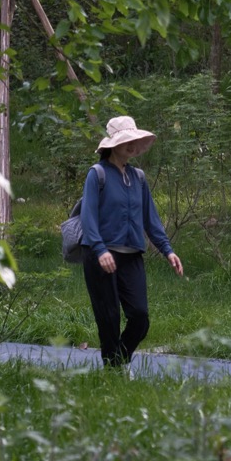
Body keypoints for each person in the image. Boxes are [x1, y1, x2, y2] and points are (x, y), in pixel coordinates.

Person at [80, 115, 184, 367]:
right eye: (127, 140)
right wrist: (99, 248)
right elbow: (88, 215)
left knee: (140, 317)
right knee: (109, 318)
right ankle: (112, 374)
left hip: (131, 256)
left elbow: (151, 218)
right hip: (100, 256)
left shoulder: (138, 177)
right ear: (111, 144)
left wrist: (167, 250)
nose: (132, 146)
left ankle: (117, 361)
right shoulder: (98, 174)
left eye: (135, 141)